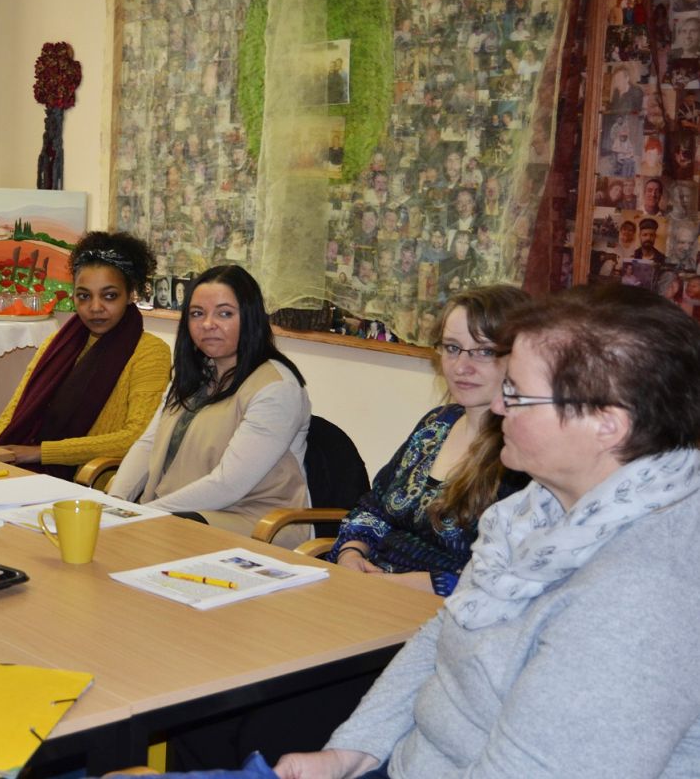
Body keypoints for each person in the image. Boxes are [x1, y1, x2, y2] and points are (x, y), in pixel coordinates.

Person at [276, 284, 700, 779]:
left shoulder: (645, 592)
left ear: (607, 424)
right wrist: (352, 752)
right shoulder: (531, 510)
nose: (499, 408)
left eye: (517, 393)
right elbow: (444, 635)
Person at [328, 286, 530, 596]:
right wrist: (351, 554)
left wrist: (392, 584)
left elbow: (504, 576)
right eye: (451, 348)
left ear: (521, 356)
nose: (461, 366)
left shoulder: (524, 454)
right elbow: (374, 507)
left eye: (485, 351)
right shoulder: (437, 423)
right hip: (368, 590)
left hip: (439, 615)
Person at [107, 265, 312, 546]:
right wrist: (113, 504)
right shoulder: (194, 373)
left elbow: (229, 484)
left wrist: (145, 514)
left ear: (250, 319)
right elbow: (148, 444)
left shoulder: (276, 387)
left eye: (225, 313)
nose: (207, 324)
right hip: (180, 511)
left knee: (145, 540)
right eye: (197, 314)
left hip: (252, 521)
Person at [0, 232, 170, 478]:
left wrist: (39, 452)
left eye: (109, 296)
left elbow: (136, 436)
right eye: (84, 296)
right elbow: (16, 411)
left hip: (92, 481)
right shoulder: (57, 343)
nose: (95, 307)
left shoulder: (150, 352)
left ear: (130, 295)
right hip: (27, 470)